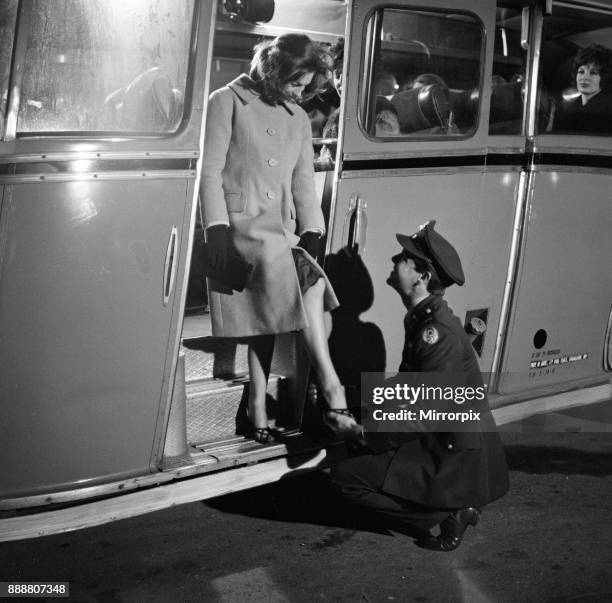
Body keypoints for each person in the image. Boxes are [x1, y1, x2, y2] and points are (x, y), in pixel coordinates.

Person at [200, 33, 361, 443]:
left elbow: (303, 182)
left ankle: (260, 402)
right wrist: (216, 228)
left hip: (281, 230)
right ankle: (330, 390)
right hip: (240, 227)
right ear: (273, 70)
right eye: (296, 83)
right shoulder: (226, 101)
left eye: (307, 86)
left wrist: (313, 229)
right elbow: (209, 171)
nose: (301, 93)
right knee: (291, 286)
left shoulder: (297, 118)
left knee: (297, 289)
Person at [330, 221, 509, 551]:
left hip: (452, 457)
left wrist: (362, 432)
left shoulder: (436, 332)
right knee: (356, 453)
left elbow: (427, 414)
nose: (393, 261)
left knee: (345, 478)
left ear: (421, 277)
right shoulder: (426, 318)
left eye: (402, 258)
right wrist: (354, 398)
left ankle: (448, 512)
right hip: (444, 440)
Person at [554, 43, 612, 135]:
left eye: (593, 73)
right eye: (581, 72)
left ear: (604, 77)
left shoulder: (606, 111)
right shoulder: (571, 106)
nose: (584, 77)